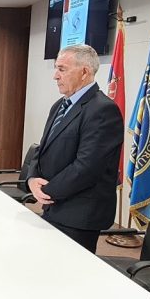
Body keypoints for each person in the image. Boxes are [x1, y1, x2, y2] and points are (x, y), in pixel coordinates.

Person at [27, 44, 122, 254]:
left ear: (84, 72)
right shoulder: (59, 105)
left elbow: (86, 168)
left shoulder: (103, 109)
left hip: (79, 214)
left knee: (68, 271)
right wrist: (32, 179)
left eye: (62, 69)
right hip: (54, 205)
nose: (55, 76)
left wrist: (46, 191)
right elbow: (42, 149)